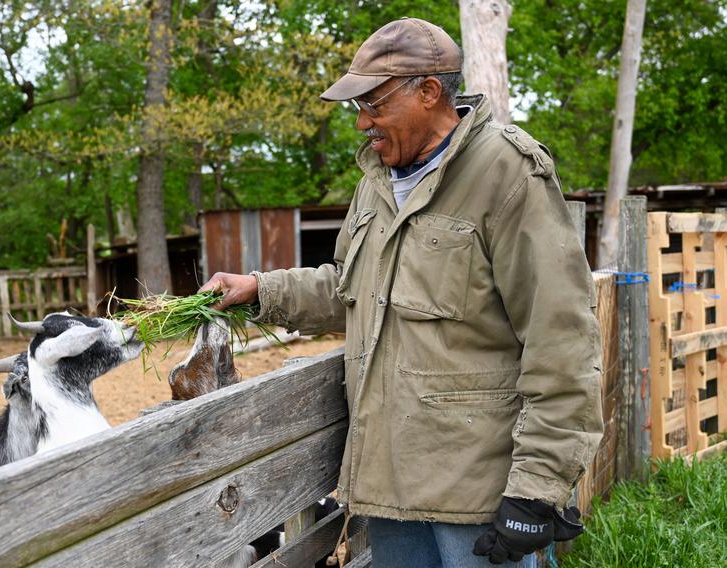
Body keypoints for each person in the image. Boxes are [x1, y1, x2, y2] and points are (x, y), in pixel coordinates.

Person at [200, 17, 603, 568]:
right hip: (389, 483)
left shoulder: (507, 172)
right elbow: (352, 290)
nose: (363, 122)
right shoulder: (376, 182)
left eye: (374, 104)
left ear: (430, 92)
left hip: (477, 494)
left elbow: (564, 340)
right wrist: (260, 291)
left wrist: (535, 490)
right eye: (358, 108)